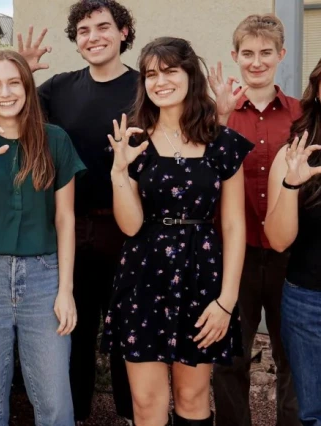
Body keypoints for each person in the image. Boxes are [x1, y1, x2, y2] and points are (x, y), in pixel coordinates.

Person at [101, 37, 252, 426]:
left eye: (170, 70)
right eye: (151, 73)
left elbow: (234, 225)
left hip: (202, 279)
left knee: (192, 396)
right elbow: (131, 224)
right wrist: (119, 171)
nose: (160, 81)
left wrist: (227, 300)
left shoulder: (222, 143)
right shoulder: (133, 141)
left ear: (190, 75)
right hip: (143, 277)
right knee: (147, 403)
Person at [0, 49, 86, 426]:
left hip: (44, 276)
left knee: (55, 401)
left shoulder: (55, 141)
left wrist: (66, 289)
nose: (5, 92)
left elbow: (65, 219)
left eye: (13, 82)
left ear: (27, 86)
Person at [18, 0, 138, 421]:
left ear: (123, 32)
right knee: (75, 330)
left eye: (103, 27)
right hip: (70, 226)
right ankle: (77, 414)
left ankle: (131, 414)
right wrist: (24, 74)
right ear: (76, 40)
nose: (94, 37)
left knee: (127, 331)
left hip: (130, 229)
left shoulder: (145, 88)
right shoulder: (58, 88)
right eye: (84, 30)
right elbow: (13, 115)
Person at [208, 14, 301, 426]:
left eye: (266, 53)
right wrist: (218, 122)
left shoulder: (302, 116)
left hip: (291, 257)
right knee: (230, 358)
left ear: (281, 55)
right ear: (235, 56)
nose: (257, 62)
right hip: (233, 255)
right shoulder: (216, 117)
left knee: (294, 358)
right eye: (248, 53)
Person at [265, 58, 321, 426]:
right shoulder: (294, 152)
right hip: (308, 303)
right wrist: (291, 184)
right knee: (312, 413)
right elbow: (279, 239)